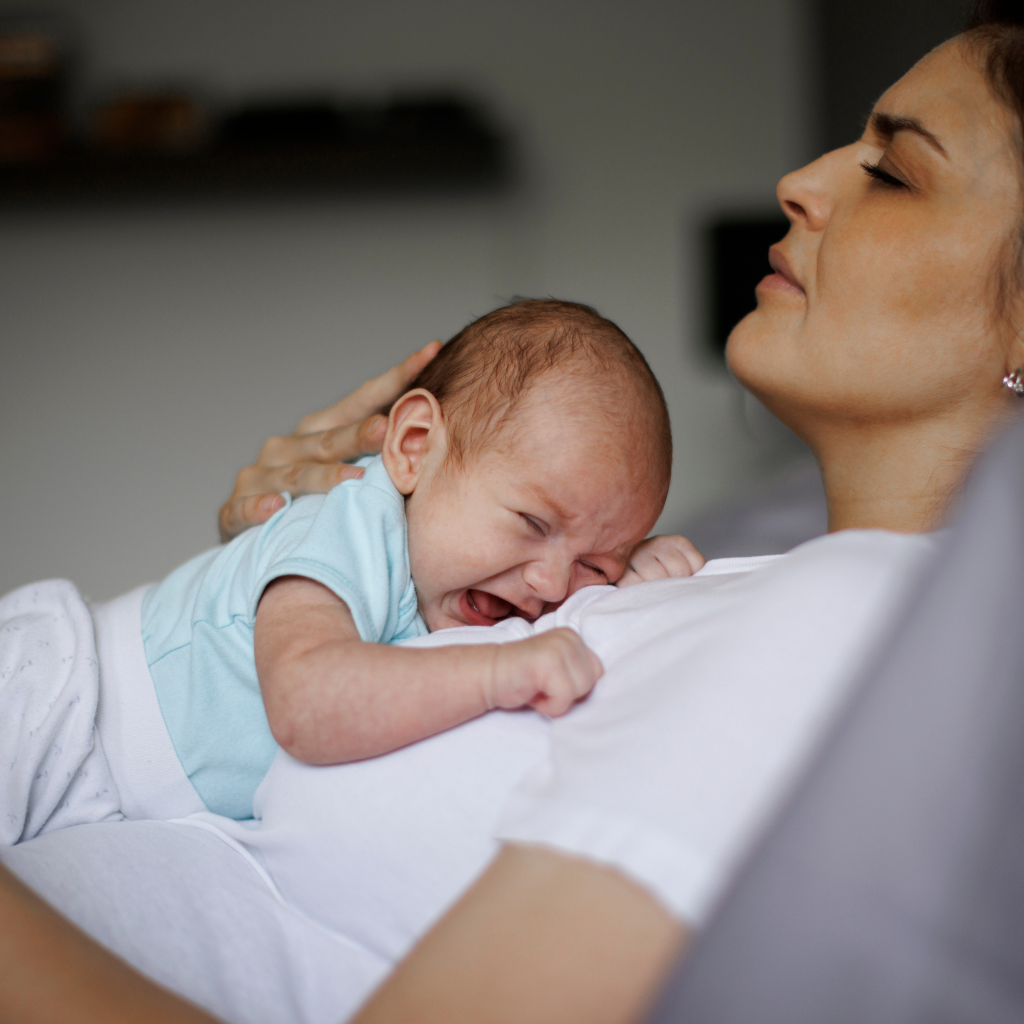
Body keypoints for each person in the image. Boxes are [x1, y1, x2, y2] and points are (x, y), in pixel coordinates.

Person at [3, 4, 1024, 1023]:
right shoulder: (752, 575)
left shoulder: (856, 615)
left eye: (892, 173)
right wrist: (296, 558)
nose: (797, 183)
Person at [0, 299, 696, 834]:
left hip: (121, 809)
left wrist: (634, 580)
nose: (550, 586)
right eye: (532, 524)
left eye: (594, 565)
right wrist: (498, 675)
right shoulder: (352, 523)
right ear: (415, 446)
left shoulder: (492, 590)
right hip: (56, 705)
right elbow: (306, 700)